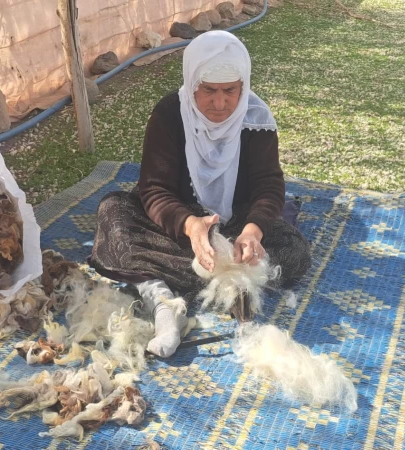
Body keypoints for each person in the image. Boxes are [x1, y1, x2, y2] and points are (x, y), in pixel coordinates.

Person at [90, 30, 311, 358]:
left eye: (230, 91)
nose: (220, 104)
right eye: (209, 90)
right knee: (114, 212)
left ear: (243, 86)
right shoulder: (169, 115)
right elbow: (155, 189)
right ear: (192, 82)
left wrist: (253, 231)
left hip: (235, 225)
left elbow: (268, 185)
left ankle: (214, 276)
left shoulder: (256, 120)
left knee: (294, 251)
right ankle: (164, 302)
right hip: (179, 224)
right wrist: (191, 226)